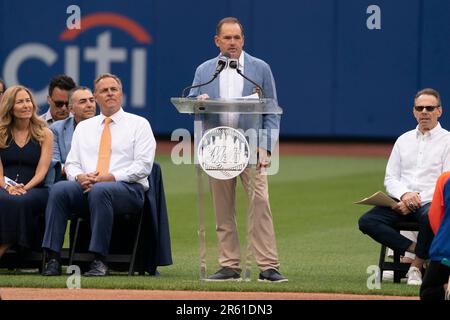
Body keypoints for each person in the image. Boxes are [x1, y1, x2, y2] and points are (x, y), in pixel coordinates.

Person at [188, 17, 287, 282]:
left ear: (243, 40)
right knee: (222, 208)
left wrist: (266, 147)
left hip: (251, 145)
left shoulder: (259, 68)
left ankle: (268, 266)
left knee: (260, 203)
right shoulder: (205, 70)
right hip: (217, 146)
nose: (232, 43)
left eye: (237, 38)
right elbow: (190, 102)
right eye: (227, 38)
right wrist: (198, 101)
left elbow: (272, 110)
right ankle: (229, 265)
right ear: (217, 41)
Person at [41, 73, 156, 276]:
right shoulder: (85, 128)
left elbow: (143, 166)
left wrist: (109, 177)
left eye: (114, 89)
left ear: (121, 93)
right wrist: (79, 177)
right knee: (59, 190)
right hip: (87, 187)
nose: (110, 93)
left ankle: (99, 260)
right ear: (97, 96)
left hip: (128, 190)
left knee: (101, 191)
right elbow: (72, 163)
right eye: (104, 90)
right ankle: (52, 258)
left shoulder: (139, 124)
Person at [359, 88, 450, 285]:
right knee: (367, 221)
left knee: (429, 216)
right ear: (414, 112)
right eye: (420, 108)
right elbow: (391, 177)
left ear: (439, 111)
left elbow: (446, 180)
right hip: (401, 200)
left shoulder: (448, 141)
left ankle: (416, 266)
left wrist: (414, 199)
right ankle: (417, 250)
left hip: (431, 201)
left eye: (429, 108)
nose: (424, 112)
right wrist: (405, 195)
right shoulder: (403, 139)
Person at [0, 85, 53, 259]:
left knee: (21, 201)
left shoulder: (45, 133)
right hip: (4, 186)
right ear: (9, 107)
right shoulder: (1, 133)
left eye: (28, 101)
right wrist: (8, 188)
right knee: (7, 199)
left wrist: (25, 187)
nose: (26, 105)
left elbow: (42, 170)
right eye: (20, 102)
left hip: (35, 188)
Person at [50, 86, 96, 177]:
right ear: (71, 109)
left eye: (92, 100)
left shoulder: (106, 126)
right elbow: (55, 164)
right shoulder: (56, 129)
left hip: (98, 179)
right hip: (68, 180)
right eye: (83, 102)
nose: (89, 105)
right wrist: (78, 175)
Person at [420, 172, 450, 300]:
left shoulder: (446, 178)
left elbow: (434, 216)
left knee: (428, 292)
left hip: (446, 249)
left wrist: (442, 237)